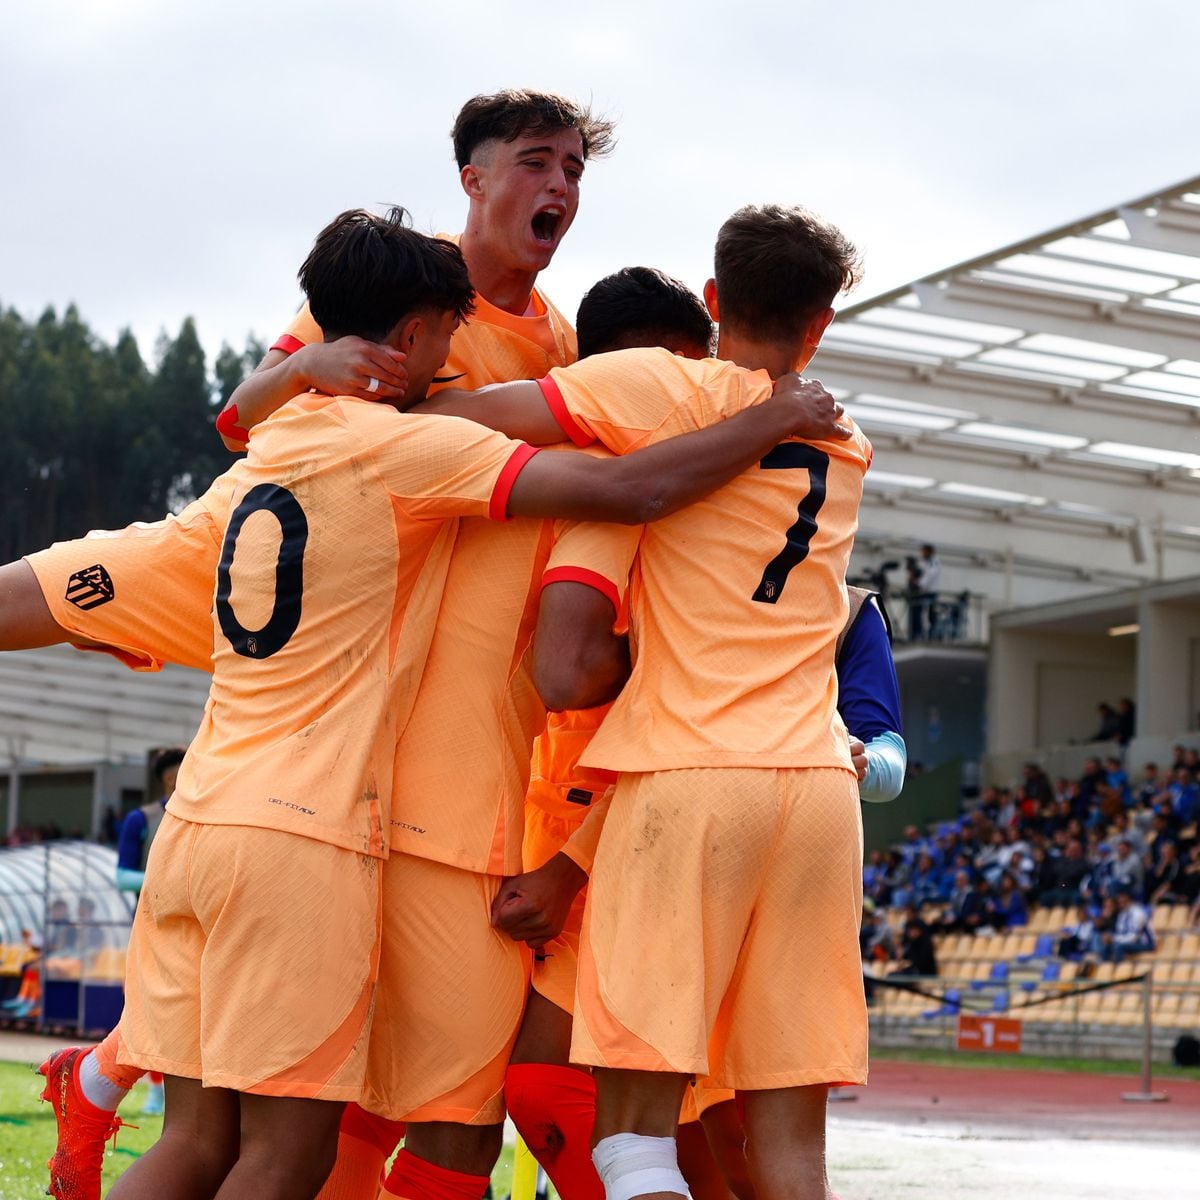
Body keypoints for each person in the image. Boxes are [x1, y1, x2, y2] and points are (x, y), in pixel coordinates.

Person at [507, 204, 869, 1200]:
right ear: (824, 320)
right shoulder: (846, 437)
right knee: (787, 1145)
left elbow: (463, 428)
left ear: (714, 304)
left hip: (686, 779)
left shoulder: (659, 389)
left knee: (630, 1139)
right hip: (815, 789)